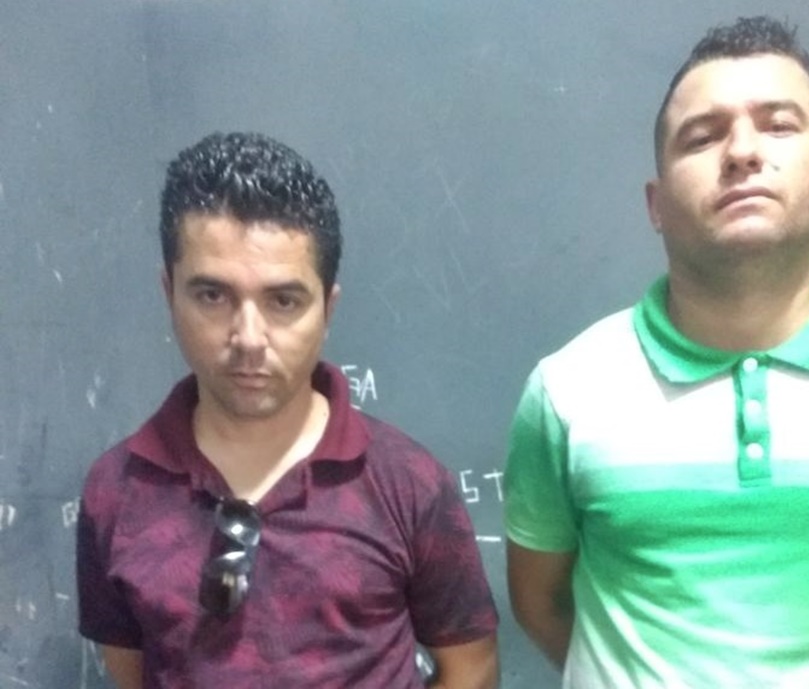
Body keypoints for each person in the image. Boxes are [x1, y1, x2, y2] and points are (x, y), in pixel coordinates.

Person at [504, 16, 809, 689]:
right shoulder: (567, 391)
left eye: (778, 125)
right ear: (656, 204)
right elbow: (541, 602)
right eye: (702, 137)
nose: (741, 152)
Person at [77, 131, 499, 689]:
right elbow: (132, 674)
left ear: (327, 309)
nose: (249, 338)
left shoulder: (408, 484)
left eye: (283, 301)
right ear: (168, 293)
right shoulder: (116, 492)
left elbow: (470, 667)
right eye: (212, 295)